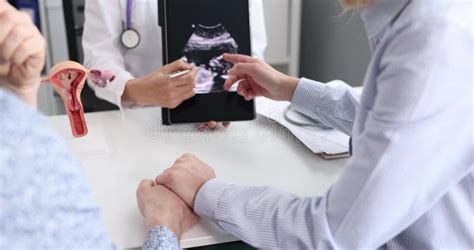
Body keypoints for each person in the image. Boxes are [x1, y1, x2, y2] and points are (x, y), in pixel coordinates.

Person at [152, 0, 474, 249]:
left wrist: (206, 191)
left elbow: (332, 235)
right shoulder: (412, 16)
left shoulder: (431, 41)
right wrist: (291, 89)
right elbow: (390, 119)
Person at [0, 1, 196, 249]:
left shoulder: (29, 147)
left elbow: (246, 48)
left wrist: (222, 97)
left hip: (204, 125)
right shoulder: (29, 151)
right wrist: (132, 89)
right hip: (136, 126)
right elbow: (98, 58)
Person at [82, 0, 267, 120]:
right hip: (144, 117)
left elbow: (252, 53)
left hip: (224, 117)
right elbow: (97, 60)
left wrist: (223, 102)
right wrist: (135, 89)